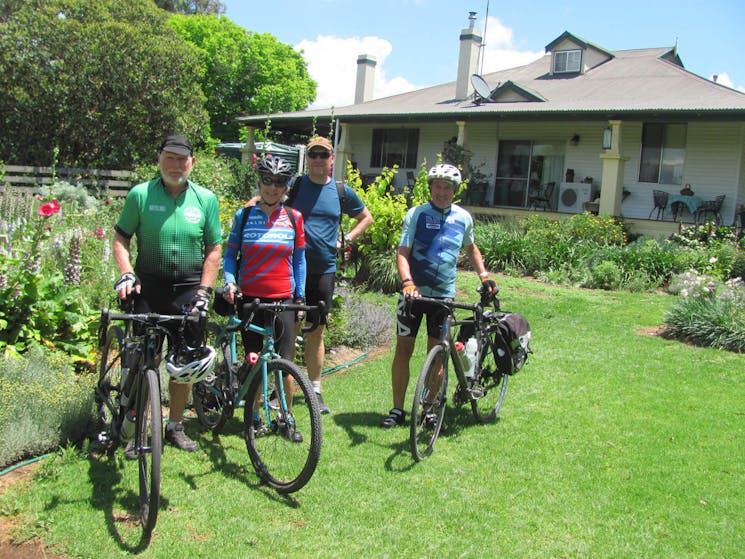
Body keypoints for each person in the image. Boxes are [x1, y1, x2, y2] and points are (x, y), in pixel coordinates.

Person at [113, 134, 222, 453]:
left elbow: (214, 248)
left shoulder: (206, 199)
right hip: (149, 287)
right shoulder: (140, 195)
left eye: (182, 159)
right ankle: (134, 425)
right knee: (142, 359)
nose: (176, 165)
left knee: (184, 362)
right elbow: (121, 238)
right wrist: (126, 272)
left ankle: (174, 426)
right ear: (159, 159)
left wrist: (205, 290)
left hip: (188, 292)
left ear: (192, 162)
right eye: (170, 158)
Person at [381, 163, 498, 428]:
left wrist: (484, 276)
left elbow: (471, 248)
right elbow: (402, 252)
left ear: (455, 190)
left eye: (447, 187)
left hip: (443, 296)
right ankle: (398, 409)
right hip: (413, 294)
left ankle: (429, 408)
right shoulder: (417, 214)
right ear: (430, 187)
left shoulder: (463, 218)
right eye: (437, 186)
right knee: (403, 350)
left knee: (438, 352)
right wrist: (407, 282)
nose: (441, 192)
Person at [222, 156, 306, 439]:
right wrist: (230, 282)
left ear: (286, 187)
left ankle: (287, 418)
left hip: (283, 299)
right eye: (268, 181)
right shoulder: (243, 216)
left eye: (279, 183)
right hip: (251, 299)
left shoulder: (294, 218)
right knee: (255, 360)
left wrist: (301, 297)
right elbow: (230, 255)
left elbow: (299, 261)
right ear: (259, 182)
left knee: (285, 365)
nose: (272, 188)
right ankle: (254, 417)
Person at [287, 135, 373, 413]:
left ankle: (314, 390)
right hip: (291, 268)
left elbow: (366, 218)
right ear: (308, 159)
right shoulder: (296, 186)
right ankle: (282, 386)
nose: (318, 160)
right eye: (313, 155)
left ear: (332, 159)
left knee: (316, 331)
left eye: (324, 155)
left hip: (324, 269)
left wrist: (345, 239)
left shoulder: (340, 191)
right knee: (289, 330)